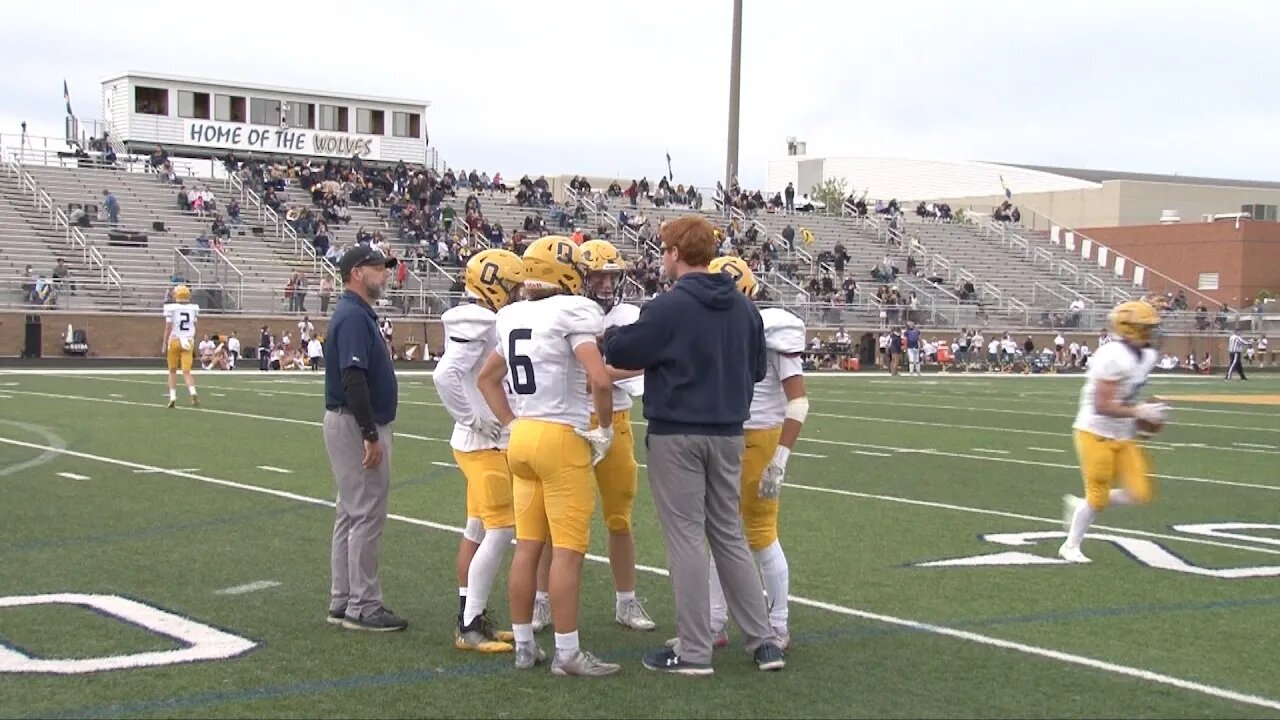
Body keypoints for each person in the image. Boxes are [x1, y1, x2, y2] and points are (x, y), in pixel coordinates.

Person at [603, 215, 786, 675]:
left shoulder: (669, 306)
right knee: (728, 534)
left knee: (686, 538)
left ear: (675, 253)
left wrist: (608, 336)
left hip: (677, 431)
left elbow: (622, 351)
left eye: (664, 250)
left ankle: (694, 649)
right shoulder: (745, 308)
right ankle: (764, 642)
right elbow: (758, 369)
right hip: (728, 432)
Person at [475, 235, 620, 677]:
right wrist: (606, 428)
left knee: (528, 549)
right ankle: (568, 654)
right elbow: (599, 379)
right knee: (568, 553)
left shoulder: (513, 314)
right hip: (561, 438)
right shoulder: (573, 312)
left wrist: (512, 422)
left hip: (522, 438)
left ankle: (523, 646)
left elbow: (487, 378)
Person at [705, 255, 808, 650]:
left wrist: (780, 459)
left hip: (758, 437)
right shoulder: (716, 327)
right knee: (720, 532)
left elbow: (797, 402)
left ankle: (778, 622)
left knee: (762, 534)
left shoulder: (772, 329)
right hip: (725, 436)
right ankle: (715, 621)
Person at [433, 248, 525, 653]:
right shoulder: (479, 318)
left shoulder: (485, 317)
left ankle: (470, 614)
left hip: (483, 441)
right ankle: (469, 624)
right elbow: (445, 374)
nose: (519, 291)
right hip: (482, 444)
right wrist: (472, 417)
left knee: (476, 529)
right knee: (501, 529)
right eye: (513, 284)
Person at [322, 245, 405, 631]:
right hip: (356, 423)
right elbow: (352, 377)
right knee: (366, 514)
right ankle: (363, 605)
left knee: (350, 513)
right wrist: (370, 433)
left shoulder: (356, 314)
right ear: (357, 272)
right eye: (379, 268)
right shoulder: (354, 316)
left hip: (350, 421)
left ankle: (344, 598)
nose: (386, 274)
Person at [579, 239, 656, 632]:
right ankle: (541, 600)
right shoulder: (570, 311)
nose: (607, 284)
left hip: (618, 420)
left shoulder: (630, 313)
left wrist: (606, 372)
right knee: (552, 521)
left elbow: (640, 364)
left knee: (619, 517)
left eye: (612, 276)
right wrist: (609, 371)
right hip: (573, 421)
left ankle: (626, 601)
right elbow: (607, 372)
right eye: (599, 276)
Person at [1059, 300, 1167, 563]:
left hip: (1123, 432)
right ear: (1129, 328)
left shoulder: (1148, 356)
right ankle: (1070, 545)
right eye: (1146, 327)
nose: (1151, 332)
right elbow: (1102, 405)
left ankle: (1081, 506)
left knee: (1139, 492)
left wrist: (1150, 416)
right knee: (1096, 497)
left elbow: (1130, 397)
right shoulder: (1111, 355)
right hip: (1094, 431)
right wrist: (1139, 412)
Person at [161, 284, 200, 408]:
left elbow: (168, 328)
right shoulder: (193, 308)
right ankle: (193, 392)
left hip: (175, 340)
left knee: (172, 370)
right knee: (187, 371)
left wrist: (164, 343)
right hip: (188, 341)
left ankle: (172, 396)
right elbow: (195, 327)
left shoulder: (171, 308)